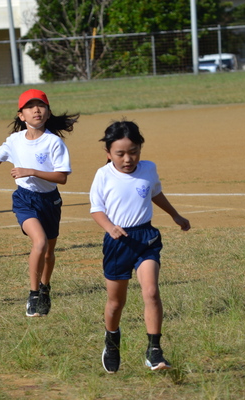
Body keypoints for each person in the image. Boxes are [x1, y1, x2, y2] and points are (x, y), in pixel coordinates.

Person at [89, 119, 190, 373]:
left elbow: (155, 193)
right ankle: (112, 340)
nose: (127, 159)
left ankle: (154, 350)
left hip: (146, 238)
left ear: (140, 148)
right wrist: (109, 227)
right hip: (118, 242)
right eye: (120, 153)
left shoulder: (148, 169)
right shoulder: (103, 175)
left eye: (133, 152)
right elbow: (96, 209)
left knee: (152, 292)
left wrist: (175, 215)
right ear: (108, 152)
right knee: (116, 303)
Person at [0, 89, 79, 317]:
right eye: (30, 107)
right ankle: (33, 294)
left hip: (50, 201)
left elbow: (62, 177)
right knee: (39, 242)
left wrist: (31, 171)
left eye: (41, 106)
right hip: (24, 199)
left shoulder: (53, 142)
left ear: (48, 112)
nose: (36, 110)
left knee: (48, 252)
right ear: (21, 115)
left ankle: (45, 287)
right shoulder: (14, 140)